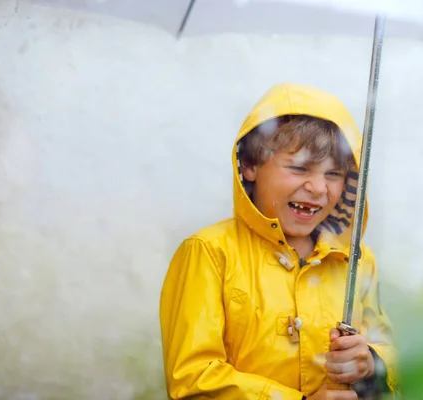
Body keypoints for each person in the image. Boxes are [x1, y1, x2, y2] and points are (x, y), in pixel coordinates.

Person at [159, 83, 396, 399]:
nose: (317, 188)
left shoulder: (356, 260)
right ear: (250, 166)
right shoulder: (209, 254)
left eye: (334, 174)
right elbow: (192, 378)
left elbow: (393, 351)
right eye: (299, 168)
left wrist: (371, 363)